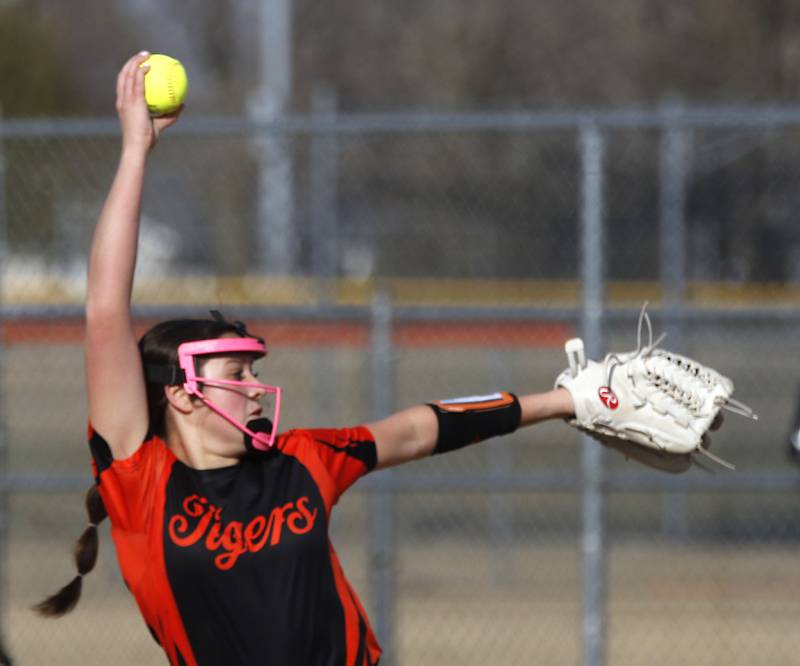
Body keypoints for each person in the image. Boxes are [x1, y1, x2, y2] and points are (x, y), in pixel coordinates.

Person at [34, 52, 576, 666]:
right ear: (182, 392)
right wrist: (136, 150)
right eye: (235, 374)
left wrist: (562, 402)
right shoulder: (143, 487)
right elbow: (105, 313)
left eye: (255, 371)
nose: (256, 386)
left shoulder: (299, 462)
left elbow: (419, 428)